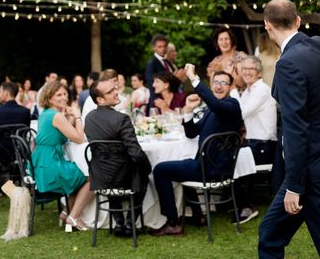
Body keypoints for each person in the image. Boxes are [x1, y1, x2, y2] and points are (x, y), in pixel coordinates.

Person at [258, 0, 320, 259]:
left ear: (267, 25)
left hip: (309, 170)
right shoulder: (319, 45)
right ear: (298, 20)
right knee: (273, 233)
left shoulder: (287, 64)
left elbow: (296, 129)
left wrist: (294, 186)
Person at [151, 66, 243, 236]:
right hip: (203, 165)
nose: (219, 86)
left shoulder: (232, 105)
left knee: (160, 170)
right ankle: (198, 215)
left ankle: (173, 223)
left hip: (213, 170)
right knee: (179, 164)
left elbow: (215, 104)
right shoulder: (210, 111)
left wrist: (193, 78)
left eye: (224, 83)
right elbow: (192, 132)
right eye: (216, 82)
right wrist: (188, 111)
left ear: (231, 87)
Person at [84, 79, 152, 237]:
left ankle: (119, 222)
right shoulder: (121, 119)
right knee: (141, 172)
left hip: (100, 176)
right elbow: (135, 152)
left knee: (114, 169)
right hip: (123, 178)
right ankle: (129, 223)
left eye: (115, 88)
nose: (116, 92)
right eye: (110, 92)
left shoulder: (89, 118)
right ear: (100, 99)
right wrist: (147, 168)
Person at [31, 80, 94, 231]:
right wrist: (78, 115)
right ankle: (74, 217)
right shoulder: (56, 116)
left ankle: (67, 213)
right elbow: (79, 138)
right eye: (58, 95)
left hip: (41, 163)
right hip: (50, 166)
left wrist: (70, 117)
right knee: (93, 176)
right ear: (49, 98)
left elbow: (66, 134)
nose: (64, 97)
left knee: (75, 172)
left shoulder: (46, 113)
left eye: (65, 94)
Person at [235, 55, 278, 222]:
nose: (246, 72)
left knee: (235, 159)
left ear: (259, 73)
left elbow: (240, 113)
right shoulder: (248, 90)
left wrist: (232, 88)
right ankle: (236, 201)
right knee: (229, 155)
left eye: (250, 69)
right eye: (244, 69)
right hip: (253, 144)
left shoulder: (262, 90)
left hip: (265, 146)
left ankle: (247, 206)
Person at [0, 82, 31, 192]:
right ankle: (15, 180)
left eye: (0, 92)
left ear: (6, 93)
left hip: (0, 153)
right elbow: (25, 133)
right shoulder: (25, 112)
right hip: (19, 151)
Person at [144, 33, 173, 112]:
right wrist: (156, 102)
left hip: (172, 100)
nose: (162, 49)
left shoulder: (168, 62)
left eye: (164, 46)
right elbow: (151, 85)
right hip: (158, 102)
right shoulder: (151, 64)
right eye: (159, 47)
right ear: (154, 48)